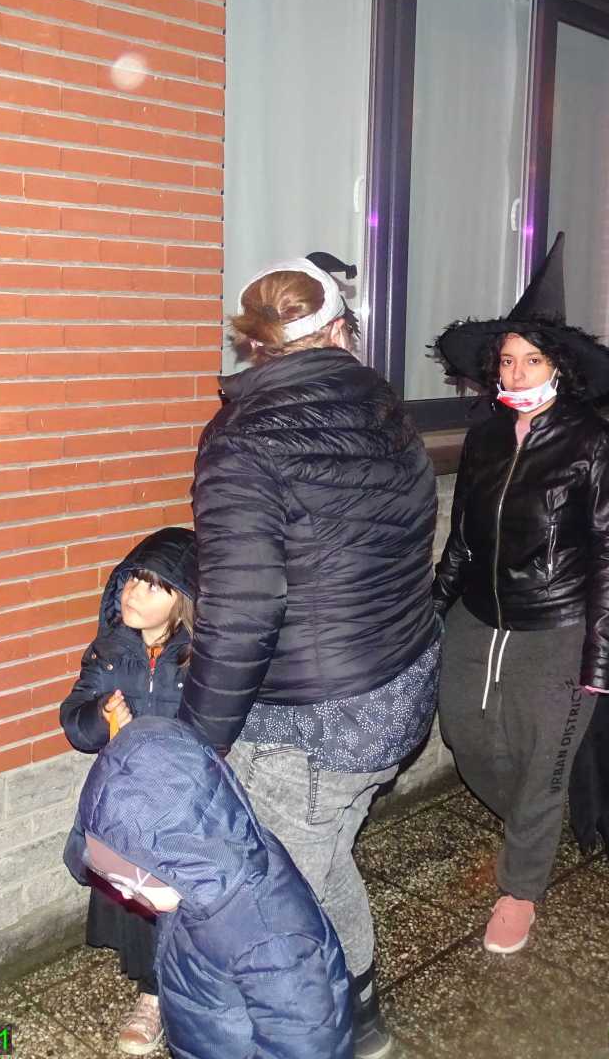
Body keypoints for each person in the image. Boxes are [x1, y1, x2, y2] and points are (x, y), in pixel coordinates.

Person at [180, 253, 440, 1058]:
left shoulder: (243, 439)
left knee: (278, 896)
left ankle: (315, 1032)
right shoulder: (387, 410)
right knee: (322, 861)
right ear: (339, 331)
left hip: (312, 718)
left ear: (256, 342)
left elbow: (243, 609)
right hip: (395, 683)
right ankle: (359, 1020)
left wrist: (196, 743)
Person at [429, 270, 609, 954]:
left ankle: (520, 887)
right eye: (507, 360)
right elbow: (462, 539)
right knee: (467, 739)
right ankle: (532, 822)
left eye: (532, 360)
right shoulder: (486, 437)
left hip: (557, 625)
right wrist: (432, 610)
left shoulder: (593, 443)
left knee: (544, 760)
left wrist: (600, 658)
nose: (516, 372)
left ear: (559, 368)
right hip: (478, 616)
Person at [65, 718, 352, 1059]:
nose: (126, 896)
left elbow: (305, 1046)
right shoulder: (198, 878)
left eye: (133, 883)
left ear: (178, 854)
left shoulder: (272, 944)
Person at [59, 526, 196, 1056]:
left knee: (181, 898)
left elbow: (216, 724)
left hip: (181, 799)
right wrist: (101, 715)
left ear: (183, 601)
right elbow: (75, 722)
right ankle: (151, 990)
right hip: (125, 801)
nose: (134, 593)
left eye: (154, 586)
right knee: (141, 901)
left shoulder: (200, 656)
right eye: (132, 579)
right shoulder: (110, 649)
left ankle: (165, 993)